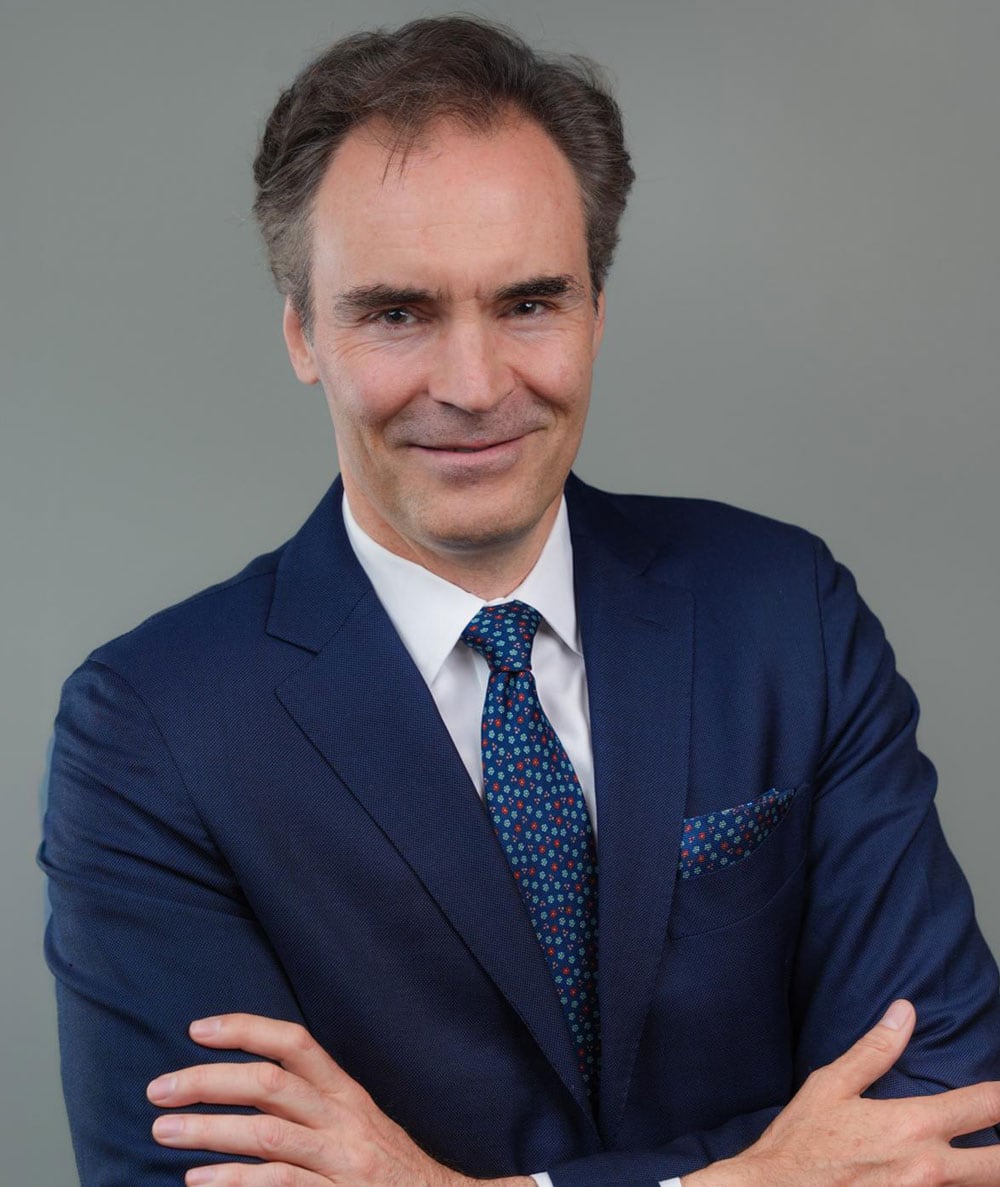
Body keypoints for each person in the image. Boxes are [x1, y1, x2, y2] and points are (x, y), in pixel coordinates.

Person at [40, 15, 1000, 1187]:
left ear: (598, 308)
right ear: (302, 331)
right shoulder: (152, 728)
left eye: (529, 303)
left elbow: (949, 1121)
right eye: (398, 312)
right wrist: (753, 1174)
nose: (474, 383)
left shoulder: (784, 614)